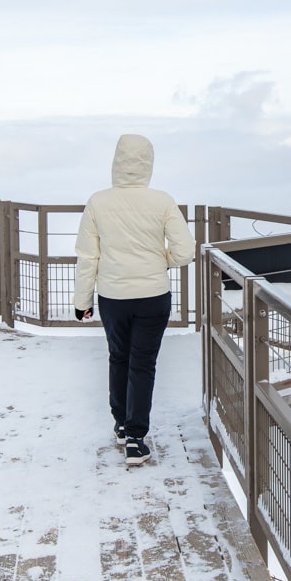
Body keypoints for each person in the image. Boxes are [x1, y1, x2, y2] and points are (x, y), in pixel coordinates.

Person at [73, 134, 195, 466]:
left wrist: (82, 300)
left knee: (118, 358)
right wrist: (161, 260)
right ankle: (136, 439)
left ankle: (121, 423)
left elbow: (87, 257)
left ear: (116, 163)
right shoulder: (163, 201)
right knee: (143, 364)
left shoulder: (98, 201)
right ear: (148, 166)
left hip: (113, 297)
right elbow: (185, 252)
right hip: (153, 296)